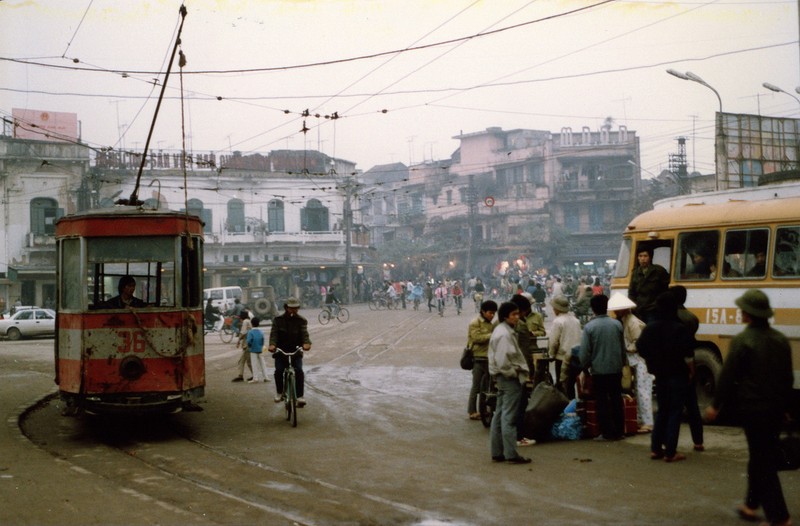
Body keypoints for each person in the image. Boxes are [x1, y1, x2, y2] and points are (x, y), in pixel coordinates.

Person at [706, 290, 793, 526]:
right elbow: (787, 378)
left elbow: (727, 376)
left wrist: (715, 405)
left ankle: (779, 516)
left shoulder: (743, 341)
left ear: (749, 314)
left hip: (753, 409)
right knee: (760, 455)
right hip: (775, 408)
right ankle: (751, 505)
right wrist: (786, 407)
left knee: (763, 460)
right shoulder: (780, 339)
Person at [637, 292, 694, 462]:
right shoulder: (679, 328)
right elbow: (688, 355)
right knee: (675, 412)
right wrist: (692, 371)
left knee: (663, 410)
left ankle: (656, 449)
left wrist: (652, 360)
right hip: (678, 374)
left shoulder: (650, 327)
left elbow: (641, 347)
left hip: (659, 374)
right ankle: (671, 452)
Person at [488, 302, 532, 464]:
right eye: (513, 314)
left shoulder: (503, 330)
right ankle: (511, 454)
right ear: (505, 316)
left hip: (502, 377)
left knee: (500, 414)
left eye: (517, 314)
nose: (517, 317)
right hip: (509, 378)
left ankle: (497, 452)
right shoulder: (504, 334)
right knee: (509, 417)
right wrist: (514, 374)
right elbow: (503, 362)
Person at [579, 294, 626, 441]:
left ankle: (606, 432)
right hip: (616, 369)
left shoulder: (589, 327)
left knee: (602, 401)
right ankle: (619, 431)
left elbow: (585, 352)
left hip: (599, 370)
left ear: (592, 309)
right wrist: (622, 363)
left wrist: (585, 367)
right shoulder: (617, 325)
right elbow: (622, 348)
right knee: (616, 399)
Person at [606, 292, 654, 433]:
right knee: (638, 391)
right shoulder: (626, 320)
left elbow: (639, 343)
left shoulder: (633, 322)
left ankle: (648, 423)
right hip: (635, 361)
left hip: (641, 361)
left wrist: (628, 349)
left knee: (643, 391)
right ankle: (640, 420)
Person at [670, 285, 704, 451]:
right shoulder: (691, 318)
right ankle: (698, 441)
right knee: (693, 406)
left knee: (674, 408)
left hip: (673, 365)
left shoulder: (669, 318)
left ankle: (671, 445)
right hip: (689, 364)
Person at [268, 297, 312, 407]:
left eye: (296, 308)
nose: (294, 310)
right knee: (279, 371)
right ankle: (279, 392)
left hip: (295, 351)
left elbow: (304, 334)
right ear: (286, 308)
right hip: (281, 351)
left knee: (299, 371)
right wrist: (272, 345)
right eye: (291, 308)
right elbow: (274, 334)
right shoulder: (278, 320)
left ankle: (300, 396)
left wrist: (306, 343)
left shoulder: (301, 320)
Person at [467, 299, 497, 420]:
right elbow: (476, 338)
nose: (492, 315)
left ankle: (484, 409)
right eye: (490, 313)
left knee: (489, 386)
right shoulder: (475, 322)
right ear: (483, 312)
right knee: (476, 386)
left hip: (490, 358)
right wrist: (493, 335)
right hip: (478, 357)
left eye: (494, 313)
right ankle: (472, 411)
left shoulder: (491, 324)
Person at [548, 295, 582, 399]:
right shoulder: (576, 320)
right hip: (576, 357)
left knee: (563, 385)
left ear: (557, 309)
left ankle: (564, 408)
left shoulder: (558, 321)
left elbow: (553, 342)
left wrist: (551, 355)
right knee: (571, 384)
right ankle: (572, 406)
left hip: (562, 358)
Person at [628, 247, 670, 323]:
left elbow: (665, 290)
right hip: (639, 310)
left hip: (653, 310)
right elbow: (631, 292)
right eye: (640, 256)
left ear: (650, 257)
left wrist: (657, 304)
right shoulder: (635, 273)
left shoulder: (659, 271)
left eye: (645, 256)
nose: (642, 259)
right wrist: (634, 306)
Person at [231, 311, 254, 382]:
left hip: (247, 345)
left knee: (244, 361)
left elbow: (243, 332)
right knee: (247, 361)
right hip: (249, 344)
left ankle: (241, 376)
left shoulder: (245, 322)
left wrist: (238, 340)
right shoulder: (248, 321)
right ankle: (253, 375)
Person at [247, 317, 270, 383]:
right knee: (263, 364)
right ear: (258, 324)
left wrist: (250, 346)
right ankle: (266, 377)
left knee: (254, 364)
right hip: (260, 349)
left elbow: (249, 341)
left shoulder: (250, 332)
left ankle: (255, 378)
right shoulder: (261, 332)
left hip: (253, 350)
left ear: (252, 324)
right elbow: (263, 341)